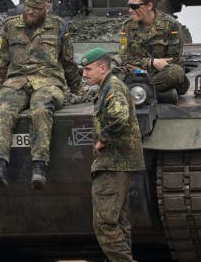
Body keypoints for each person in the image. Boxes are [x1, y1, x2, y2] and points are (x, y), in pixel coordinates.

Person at [0, 0, 81, 190]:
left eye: (36, 9)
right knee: (4, 108)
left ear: (47, 8)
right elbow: (2, 62)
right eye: (28, 7)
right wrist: (5, 86)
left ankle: (39, 167)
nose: (30, 12)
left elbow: (68, 61)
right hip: (17, 81)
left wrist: (77, 88)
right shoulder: (10, 26)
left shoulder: (58, 27)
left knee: (40, 108)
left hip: (48, 81)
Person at [81, 47, 145, 262]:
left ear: (102, 68)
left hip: (113, 162)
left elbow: (119, 117)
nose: (84, 74)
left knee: (105, 223)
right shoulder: (108, 87)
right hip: (118, 162)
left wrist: (102, 140)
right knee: (118, 222)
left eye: (88, 69)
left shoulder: (113, 87)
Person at [119, 0, 188, 103]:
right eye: (129, 5)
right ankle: (153, 94)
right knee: (111, 72)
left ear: (149, 6)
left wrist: (142, 64)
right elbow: (125, 58)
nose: (130, 10)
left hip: (161, 75)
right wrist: (152, 62)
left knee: (176, 72)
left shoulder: (170, 25)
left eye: (134, 6)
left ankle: (136, 93)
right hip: (137, 73)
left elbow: (173, 60)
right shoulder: (127, 26)